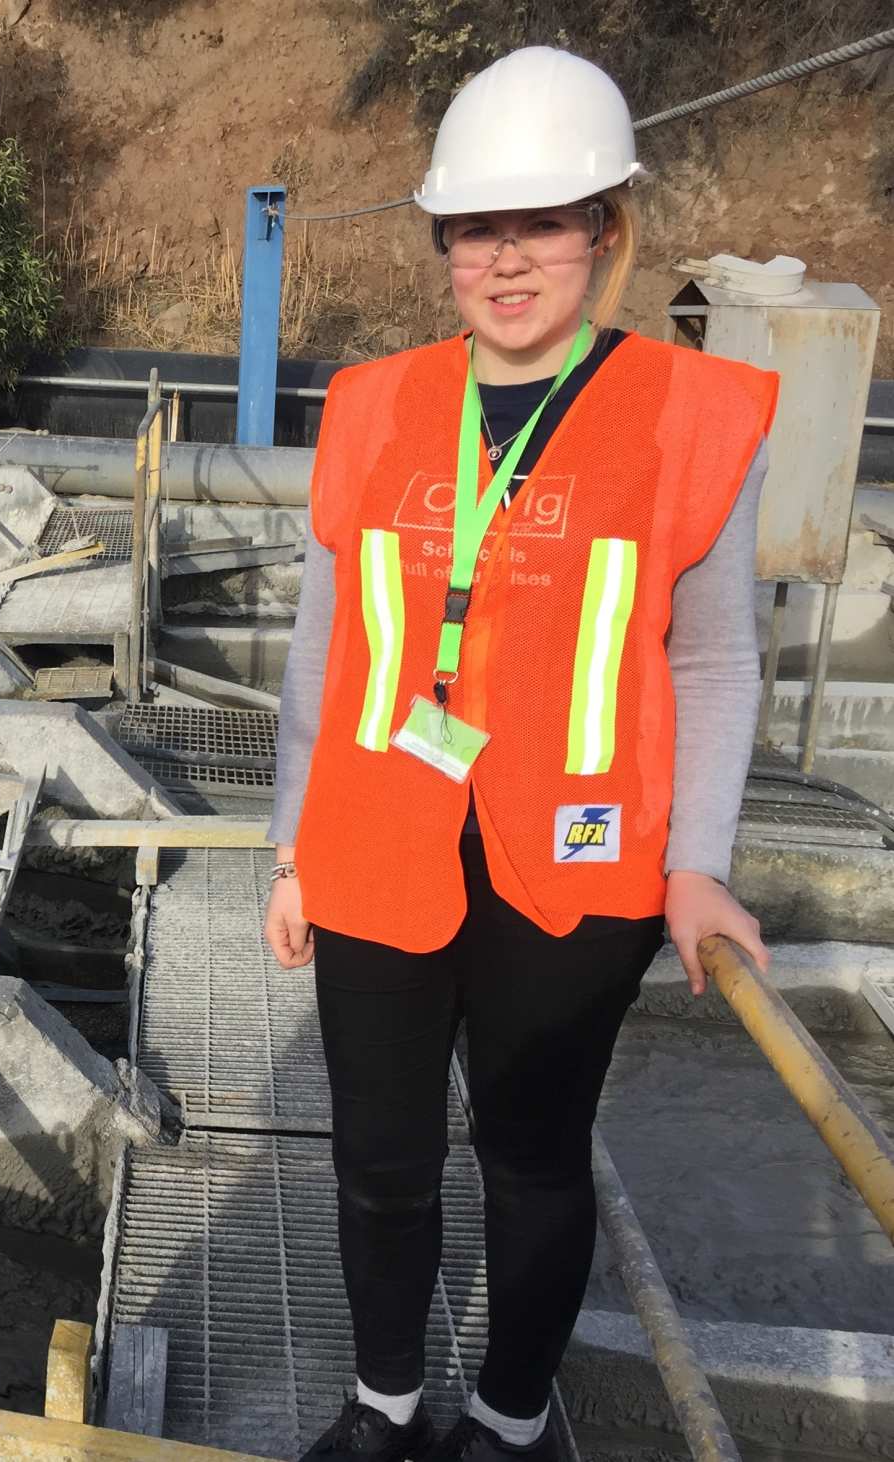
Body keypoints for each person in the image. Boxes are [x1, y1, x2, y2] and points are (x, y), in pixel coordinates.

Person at [263, 46, 777, 1462]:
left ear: (603, 233)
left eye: (541, 223)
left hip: (580, 858)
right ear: (440, 242)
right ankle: (379, 1406)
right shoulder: (373, 408)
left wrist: (697, 865)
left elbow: (716, 658)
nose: (505, 260)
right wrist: (287, 845)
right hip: (378, 832)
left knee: (531, 1154)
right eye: (476, 227)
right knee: (377, 1154)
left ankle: (501, 1418)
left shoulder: (683, 413)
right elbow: (322, 652)